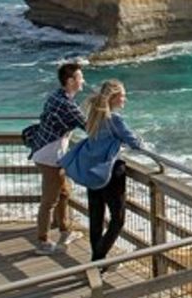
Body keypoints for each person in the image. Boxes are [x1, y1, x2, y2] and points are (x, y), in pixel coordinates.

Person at [61, 79, 143, 264]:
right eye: (122, 95)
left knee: (96, 217)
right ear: (113, 98)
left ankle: (97, 258)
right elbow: (135, 143)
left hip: (92, 171)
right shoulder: (115, 119)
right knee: (118, 219)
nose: (125, 99)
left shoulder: (94, 115)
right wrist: (135, 139)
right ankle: (98, 260)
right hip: (111, 172)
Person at [27, 62, 87, 255]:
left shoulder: (57, 96)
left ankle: (64, 230)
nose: (83, 80)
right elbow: (88, 125)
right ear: (70, 81)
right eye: (80, 77)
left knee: (64, 193)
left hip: (46, 151)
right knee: (49, 200)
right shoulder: (66, 104)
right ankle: (43, 241)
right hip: (50, 157)